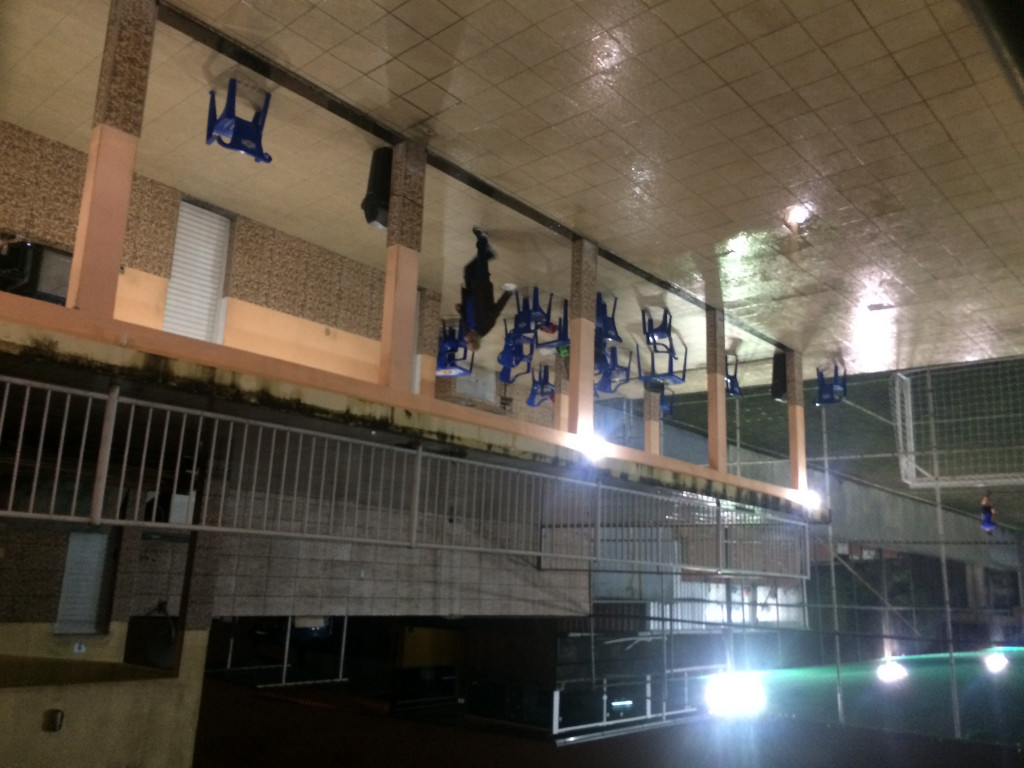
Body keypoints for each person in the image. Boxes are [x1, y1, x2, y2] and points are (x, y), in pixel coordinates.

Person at [458, 227, 515, 350]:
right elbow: (497, 309)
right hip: (482, 289)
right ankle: (482, 238)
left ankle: (488, 254)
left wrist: (460, 310)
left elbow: (465, 318)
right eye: (470, 340)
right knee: (480, 264)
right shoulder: (485, 325)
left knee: (468, 269)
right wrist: (508, 293)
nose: (467, 337)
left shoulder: (467, 330)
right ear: (476, 339)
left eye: (467, 340)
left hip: (471, 291)